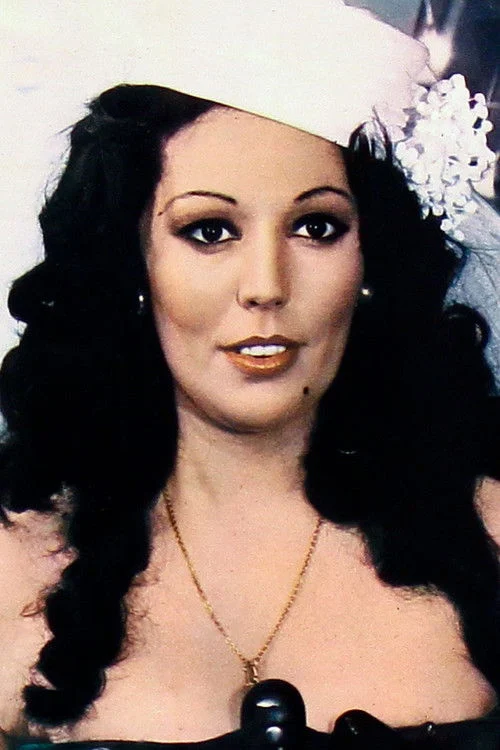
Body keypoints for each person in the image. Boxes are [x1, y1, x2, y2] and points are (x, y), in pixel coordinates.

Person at [0, 1, 499, 747]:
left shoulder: (491, 534)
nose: (266, 285)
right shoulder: (11, 570)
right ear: (133, 265)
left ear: (372, 263)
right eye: (210, 231)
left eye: (316, 227)